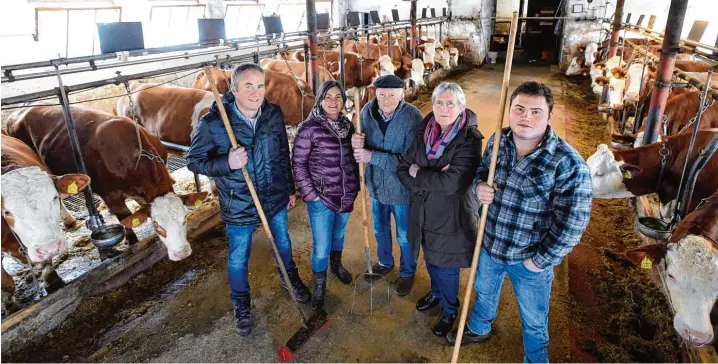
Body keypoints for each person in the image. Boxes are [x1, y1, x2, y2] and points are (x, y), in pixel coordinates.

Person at [447, 82, 592, 363]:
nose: (526, 117)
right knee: (484, 291)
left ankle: (535, 357)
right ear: (509, 111)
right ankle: (479, 327)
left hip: (530, 259)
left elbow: (573, 223)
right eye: (520, 109)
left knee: (534, 316)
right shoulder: (497, 142)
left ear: (549, 116)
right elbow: (480, 170)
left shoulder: (568, 163)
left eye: (536, 111)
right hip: (489, 244)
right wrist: (479, 186)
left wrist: (540, 260)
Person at [186, 63, 311, 336]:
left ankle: (289, 278)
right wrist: (226, 162)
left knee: (283, 241)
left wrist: (289, 188)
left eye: (260, 86)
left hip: (274, 194)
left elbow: (281, 154)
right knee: (239, 256)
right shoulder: (214, 123)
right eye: (248, 86)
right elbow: (193, 161)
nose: (256, 93)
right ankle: (241, 303)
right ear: (234, 90)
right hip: (238, 201)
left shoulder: (273, 114)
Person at [397, 82, 484, 336]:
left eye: (450, 103)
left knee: (446, 266)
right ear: (432, 104)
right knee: (431, 260)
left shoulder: (469, 139)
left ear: (461, 107)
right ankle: (436, 295)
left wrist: (419, 173)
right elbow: (403, 168)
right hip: (423, 210)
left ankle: (449, 308)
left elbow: (453, 183)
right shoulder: (423, 130)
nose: (444, 108)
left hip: (451, 216)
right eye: (438, 102)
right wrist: (428, 177)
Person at [351, 75, 424, 296]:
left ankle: (407, 271)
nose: (387, 98)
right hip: (375, 186)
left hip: (402, 190)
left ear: (402, 93)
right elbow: (360, 144)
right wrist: (355, 141)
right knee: (379, 229)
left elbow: (410, 161)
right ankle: (385, 262)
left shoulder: (413, 117)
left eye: (392, 94)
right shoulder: (366, 112)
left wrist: (371, 156)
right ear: (375, 93)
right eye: (382, 94)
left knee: (404, 234)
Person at [293, 80, 359, 310]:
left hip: (345, 193)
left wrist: (360, 145)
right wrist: (311, 195)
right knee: (321, 245)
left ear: (343, 101)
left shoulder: (348, 126)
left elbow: (351, 159)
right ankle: (319, 286)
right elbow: (298, 165)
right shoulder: (309, 128)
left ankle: (336, 265)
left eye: (338, 97)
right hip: (321, 198)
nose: (333, 101)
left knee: (338, 234)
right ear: (320, 100)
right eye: (328, 97)